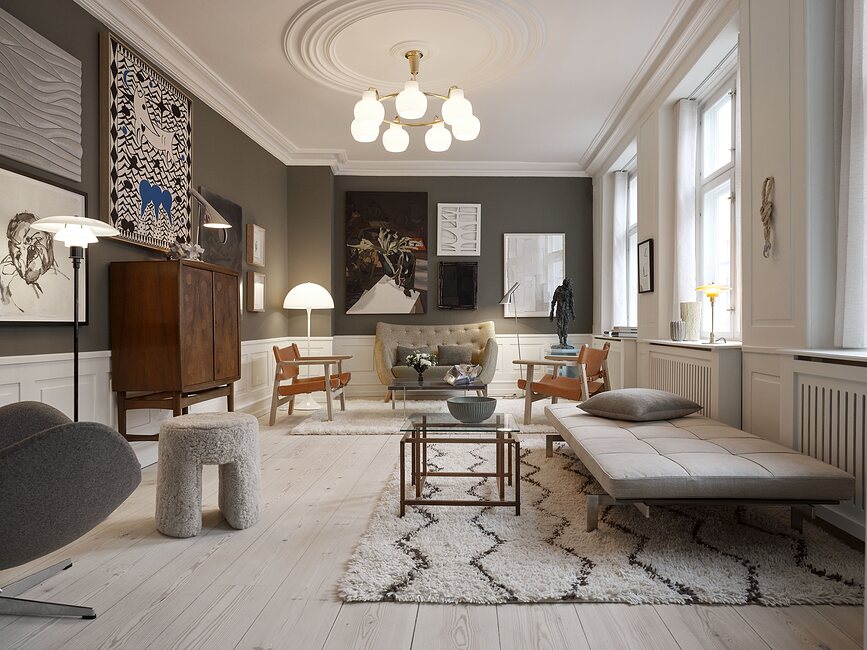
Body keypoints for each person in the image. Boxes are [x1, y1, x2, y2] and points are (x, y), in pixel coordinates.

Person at [549, 277, 575, 349]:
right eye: (570, 284)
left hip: (566, 311)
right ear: (566, 283)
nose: (571, 285)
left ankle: (565, 341)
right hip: (559, 311)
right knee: (560, 326)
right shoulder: (559, 289)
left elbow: (571, 302)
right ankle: (560, 341)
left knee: (565, 326)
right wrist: (552, 312)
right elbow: (553, 301)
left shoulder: (570, 291)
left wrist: (572, 312)